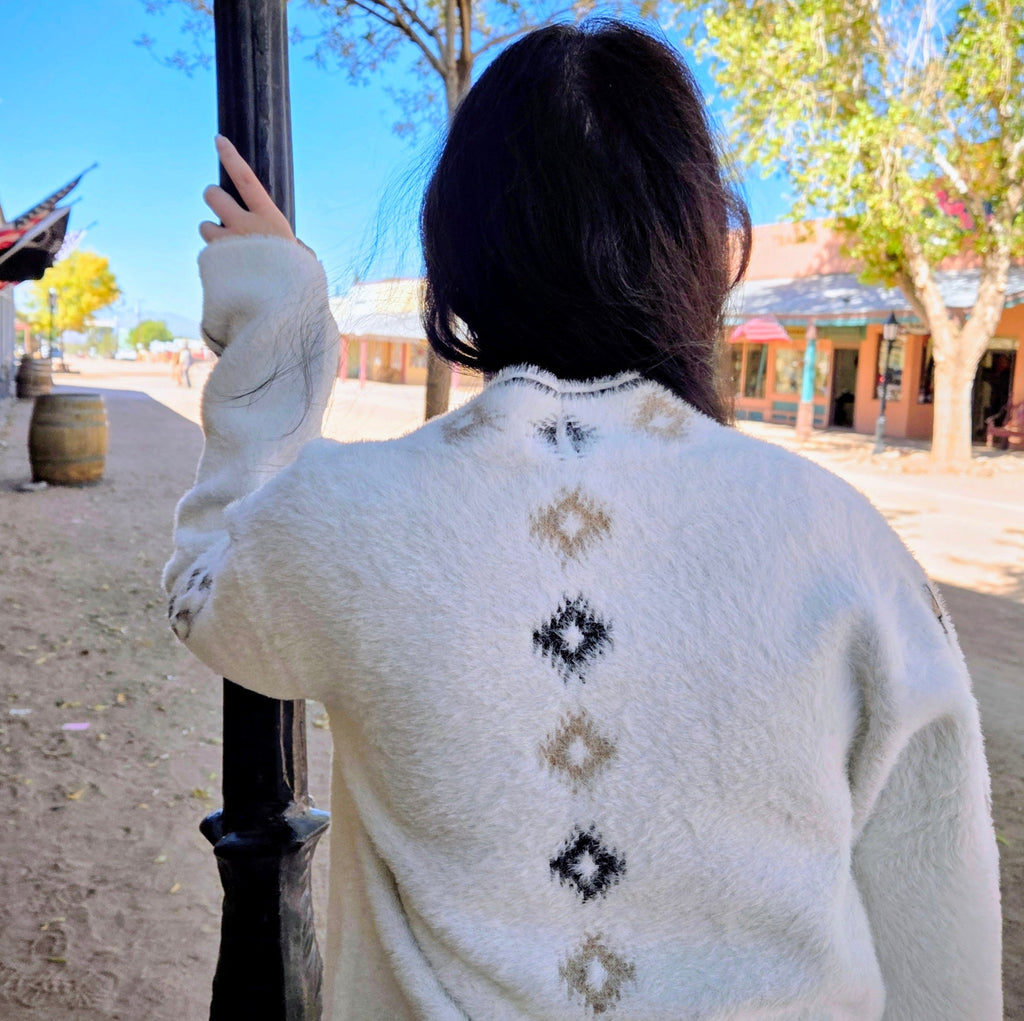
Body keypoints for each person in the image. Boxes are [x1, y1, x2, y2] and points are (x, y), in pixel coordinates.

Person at [165, 21, 1002, 1020]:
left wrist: (281, 317)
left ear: (458, 249)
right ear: (704, 247)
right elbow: (937, 935)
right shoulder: (845, 545)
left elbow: (207, 582)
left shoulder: (349, 518)